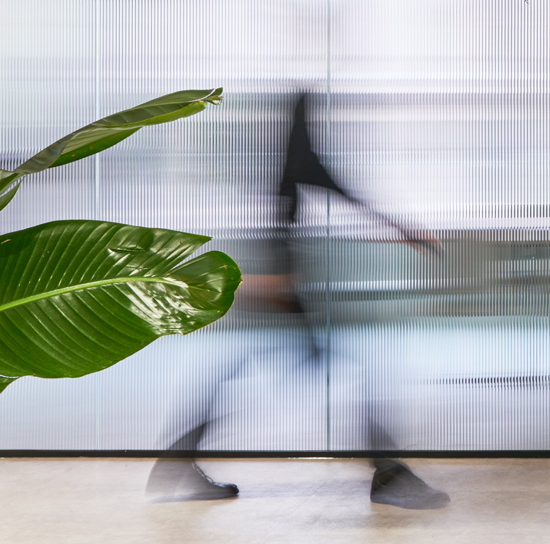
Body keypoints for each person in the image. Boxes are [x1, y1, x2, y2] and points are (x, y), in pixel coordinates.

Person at [148, 91, 448, 508]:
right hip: (281, 288)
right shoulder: (294, 156)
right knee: (339, 373)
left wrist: (400, 228)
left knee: (257, 372)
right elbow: (332, 184)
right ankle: (387, 473)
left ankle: (179, 463)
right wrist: (405, 229)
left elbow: (326, 187)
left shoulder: (276, 159)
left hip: (282, 285)